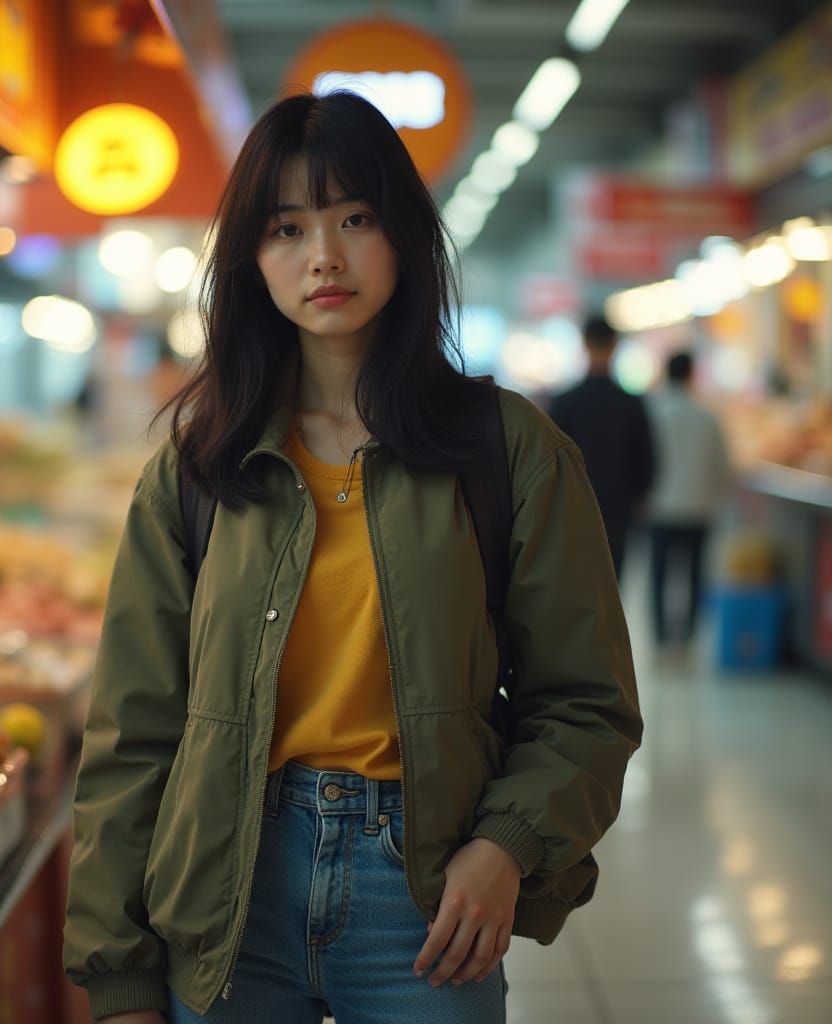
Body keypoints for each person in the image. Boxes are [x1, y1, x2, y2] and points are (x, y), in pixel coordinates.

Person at [63, 92, 642, 1024]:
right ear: (252, 260)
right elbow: (131, 736)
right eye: (286, 227)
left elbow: (588, 701)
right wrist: (118, 973)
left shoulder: (507, 448)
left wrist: (507, 844)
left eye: (354, 217)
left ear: (404, 237)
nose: (323, 254)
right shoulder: (201, 464)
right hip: (226, 888)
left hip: (423, 891)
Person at [547, 316, 655, 579]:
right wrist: (640, 495)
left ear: (584, 344)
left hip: (573, 506)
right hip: (619, 506)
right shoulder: (630, 403)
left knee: (576, 581)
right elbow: (646, 456)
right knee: (612, 579)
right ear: (614, 346)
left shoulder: (565, 402)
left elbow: (548, 460)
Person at [647, 350, 731, 655]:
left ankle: (660, 637)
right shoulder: (707, 417)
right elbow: (722, 465)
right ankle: (688, 637)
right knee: (695, 575)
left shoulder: (654, 413)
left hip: (660, 507)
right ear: (692, 374)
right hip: (699, 506)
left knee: (659, 575)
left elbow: (644, 461)